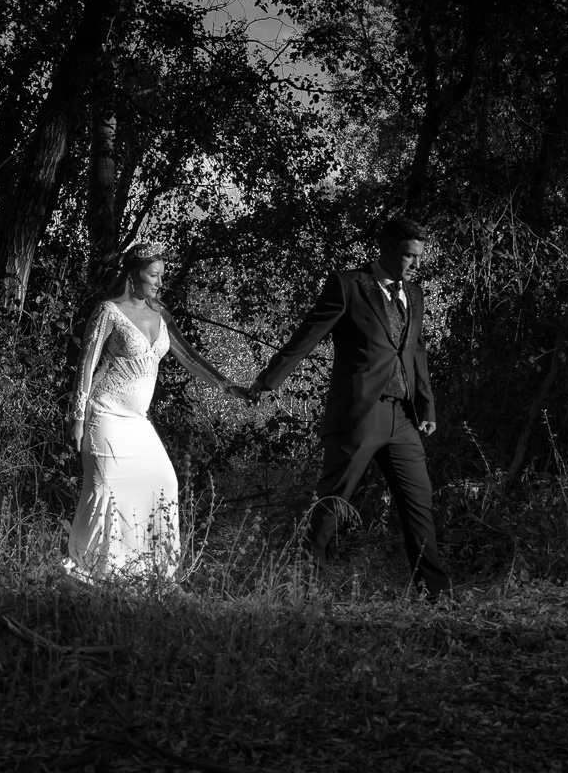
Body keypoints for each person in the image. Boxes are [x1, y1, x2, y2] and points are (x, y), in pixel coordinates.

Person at [243, 217, 452, 598]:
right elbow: (306, 337)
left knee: (419, 506)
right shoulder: (348, 285)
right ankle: (304, 592)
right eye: (409, 256)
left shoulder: (416, 293)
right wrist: (267, 381)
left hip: (403, 418)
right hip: (359, 415)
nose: (416, 265)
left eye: (419, 257)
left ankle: (436, 597)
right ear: (387, 249)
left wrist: (427, 408)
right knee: (330, 507)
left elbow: (416, 351)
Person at [64, 242, 246, 581]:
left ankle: (151, 574)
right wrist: (77, 416)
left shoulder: (160, 313)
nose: (159, 282)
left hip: (138, 421)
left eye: (162, 276)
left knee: (164, 482)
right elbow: (86, 364)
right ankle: (92, 570)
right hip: (104, 414)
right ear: (134, 274)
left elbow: (189, 356)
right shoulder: (109, 311)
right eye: (153, 275)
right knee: (107, 488)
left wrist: (226, 385)